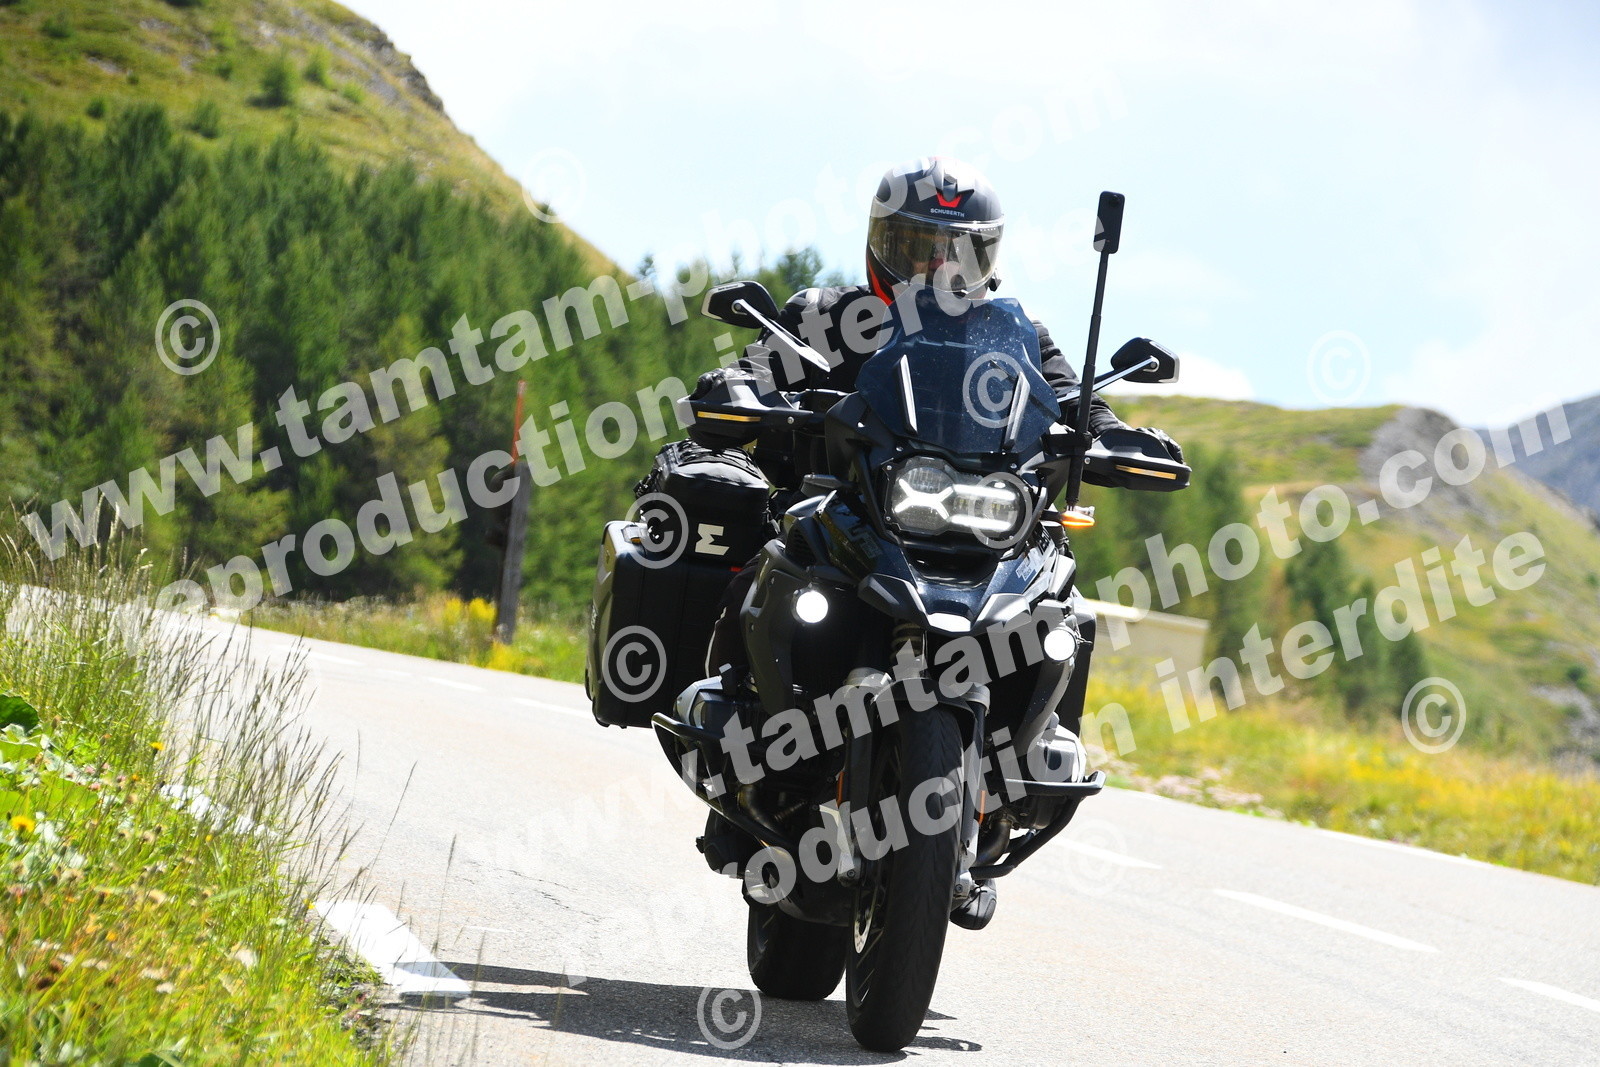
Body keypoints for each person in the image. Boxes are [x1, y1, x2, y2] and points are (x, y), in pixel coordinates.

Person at [691, 156, 1182, 675]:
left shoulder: (1016, 338)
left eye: (960, 252)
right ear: (881, 243)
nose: (938, 267)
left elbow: (1072, 397)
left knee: (1060, 608)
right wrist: (738, 388)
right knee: (762, 574)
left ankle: (1037, 725)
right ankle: (726, 702)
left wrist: (1112, 435)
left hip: (982, 521)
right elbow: (760, 369)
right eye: (918, 247)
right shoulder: (824, 315)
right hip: (840, 511)